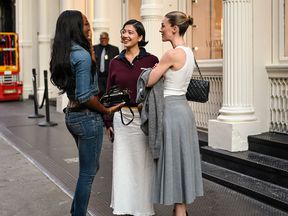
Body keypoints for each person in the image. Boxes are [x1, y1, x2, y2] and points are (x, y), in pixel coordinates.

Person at [49, 10, 123, 216]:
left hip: (72, 116)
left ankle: (76, 211)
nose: (89, 29)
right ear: (74, 27)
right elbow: (84, 95)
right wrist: (105, 109)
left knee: (88, 170)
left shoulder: (66, 52)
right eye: (85, 25)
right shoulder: (81, 55)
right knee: (88, 173)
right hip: (87, 118)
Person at [147, 11, 204, 216]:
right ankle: (181, 210)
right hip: (184, 112)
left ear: (174, 28)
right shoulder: (188, 52)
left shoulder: (171, 54)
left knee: (174, 161)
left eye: (163, 25)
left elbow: (149, 81)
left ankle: (179, 211)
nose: (160, 29)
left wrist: (153, 70)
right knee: (182, 160)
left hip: (171, 111)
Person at [105, 19, 159, 215]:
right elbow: (109, 92)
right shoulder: (115, 62)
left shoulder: (152, 60)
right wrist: (108, 121)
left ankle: (143, 208)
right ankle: (123, 207)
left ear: (140, 37)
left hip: (144, 119)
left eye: (130, 32)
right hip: (121, 119)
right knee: (122, 164)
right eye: (123, 31)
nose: (125, 35)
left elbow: (158, 89)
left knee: (143, 165)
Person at [93, 32, 119, 96]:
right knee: (98, 95)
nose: (103, 40)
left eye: (105, 38)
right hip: (98, 78)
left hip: (109, 77)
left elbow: (117, 64)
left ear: (108, 39)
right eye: (102, 38)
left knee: (108, 95)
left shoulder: (114, 49)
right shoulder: (94, 48)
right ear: (100, 39)